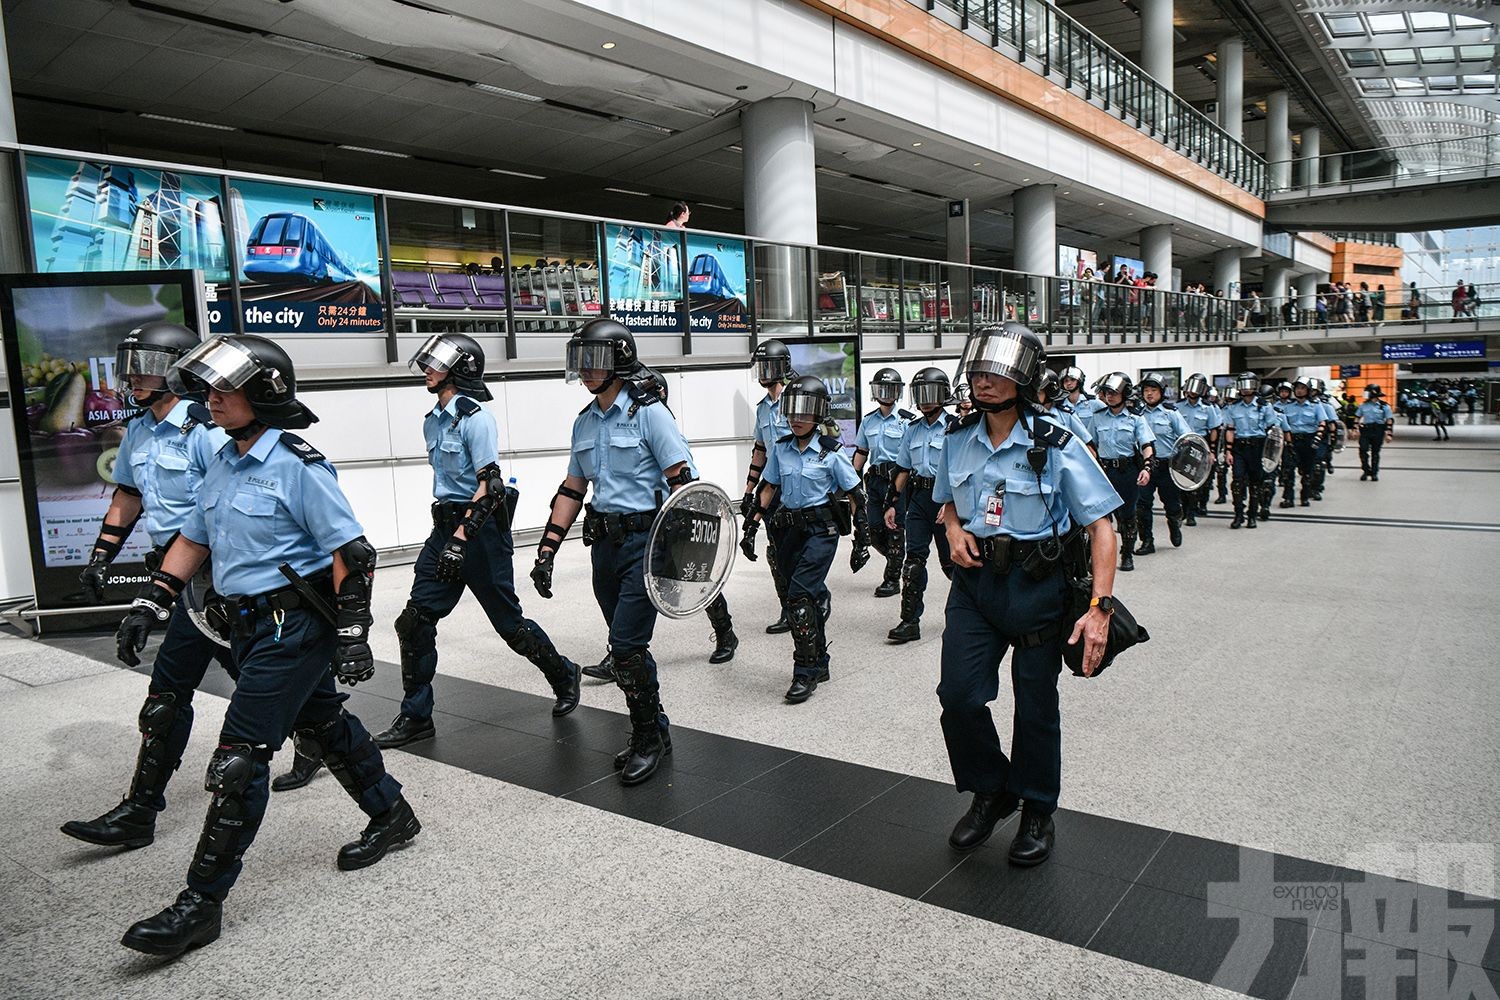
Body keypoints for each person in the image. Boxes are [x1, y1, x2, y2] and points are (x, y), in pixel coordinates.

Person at [113, 335, 417, 957]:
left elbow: (350, 553)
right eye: (212, 388)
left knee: (238, 759)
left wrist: (354, 633)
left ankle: (201, 902)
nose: (212, 398)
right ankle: (391, 813)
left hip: (294, 628)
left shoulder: (299, 465)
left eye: (227, 389)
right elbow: (193, 538)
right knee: (324, 721)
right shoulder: (224, 459)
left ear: (265, 394)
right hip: (244, 625)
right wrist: (153, 599)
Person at [935, 323, 1123, 866]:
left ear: (1024, 376)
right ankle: (993, 791)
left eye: (997, 370)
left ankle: (1038, 808)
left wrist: (1099, 609)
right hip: (975, 588)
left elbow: (1102, 526)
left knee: (1035, 704)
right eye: (978, 369)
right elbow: (946, 500)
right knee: (959, 695)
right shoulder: (957, 438)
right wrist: (951, 527)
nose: (984, 380)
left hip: (1039, 586)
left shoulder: (1057, 442)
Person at [349, 335, 583, 758]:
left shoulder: (477, 419)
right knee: (414, 622)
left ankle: (565, 674)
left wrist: (461, 540)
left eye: (435, 364)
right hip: (444, 527)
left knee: (510, 625)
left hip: (480, 534)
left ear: (460, 370)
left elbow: (490, 487)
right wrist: (449, 538)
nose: (427, 370)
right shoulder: (432, 421)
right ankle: (417, 716)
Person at [61, 322, 237, 847]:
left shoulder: (206, 428)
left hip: (222, 577)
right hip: (177, 576)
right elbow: (128, 497)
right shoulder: (139, 428)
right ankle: (139, 812)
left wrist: (156, 594)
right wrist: (100, 558)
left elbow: (212, 518)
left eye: (149, 365)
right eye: (130, 365)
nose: (134, 376)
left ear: (179, 369)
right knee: (166, 695)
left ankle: (322, 742)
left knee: (271, 683)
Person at [530, 319, 694, 785]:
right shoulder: (584, 421)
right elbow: (572, 488)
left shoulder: (649, 414)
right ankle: (656, 730)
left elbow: (684, 481)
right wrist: (547, 551)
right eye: (578, 360)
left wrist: (680, 555)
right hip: (604, 545)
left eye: (594, 360)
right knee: (628, 647)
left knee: (624, 647)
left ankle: (646, 738)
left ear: (619, 361)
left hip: (646, 543)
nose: (584, 370)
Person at [742, 376, 869, 702]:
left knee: (798, 598)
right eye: (792, 412)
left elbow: (856, 494)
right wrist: (752, 527)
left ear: (819, 414)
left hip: (821, 533)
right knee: (807, 598)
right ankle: (821, 661)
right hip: (789, 532)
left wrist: (862, 539)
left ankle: (805, 671)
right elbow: (767, 489)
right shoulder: (782, 449)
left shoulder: (832, 453)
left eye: (805, 412)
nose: (797, 419)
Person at [882, 367, 957, 644]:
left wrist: (951, 502)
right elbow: (902, 469)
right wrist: (891, 503)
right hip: (920, 500)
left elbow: (962, 470)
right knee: (913, 563)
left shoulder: (955, 428)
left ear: (944, 395)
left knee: (953, 565)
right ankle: (909, 621)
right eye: (920, 393)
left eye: (931, 393)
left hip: (946, 501)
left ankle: (968, 617)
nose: (925, 400)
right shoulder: (912, 429)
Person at [739, 340, 795, 635]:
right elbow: (760, 450)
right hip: (772, 489)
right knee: (776, 552)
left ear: (782, 368)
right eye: (760, 367)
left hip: (799, 486)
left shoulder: (797, 399)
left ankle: (810, 601)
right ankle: (788, 608)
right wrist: (748, 491)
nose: (763, 373)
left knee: (799, 548)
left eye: (768, 367)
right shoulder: (763, 409)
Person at [1082, 373, 1154, 571]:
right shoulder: (1097, 418)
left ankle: (1127, 554)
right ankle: (1094, 556)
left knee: (1127, 516)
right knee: (1099, 516)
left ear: (1125, 394)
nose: (1110, 396)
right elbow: (1090, 443)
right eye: (1106, 393)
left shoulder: (1136, 419)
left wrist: (1147, 468)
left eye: (1114, 393)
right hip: (1104, 471)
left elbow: (1146, 444)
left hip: (1127, 471)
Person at [853, 368, 914, 599]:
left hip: (897, 481)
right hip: (875, 481)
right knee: (874, 529)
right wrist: (850, 483)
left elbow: (910, 458)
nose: (886, 394)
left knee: (895, 529)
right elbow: (861, 452)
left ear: (898, 392)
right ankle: (897, 559)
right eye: (882, 389)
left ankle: (892, 578)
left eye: (891, 389)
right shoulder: (868, 421)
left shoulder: (907, 421)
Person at [1134, 373, 1192, 554]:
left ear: (1161, 392)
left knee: (1172, 504)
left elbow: (1187, 438)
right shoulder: (1137, 414)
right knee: (1142, 505)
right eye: (1146, 390)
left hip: (1168, 466)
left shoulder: (1171, 413)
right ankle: (1147, 542)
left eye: (1153, 390)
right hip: (1145, 467)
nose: (1149, 394)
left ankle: (1174, 524)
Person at [1223, 373, 1277, 530]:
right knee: (1237, 482)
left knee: (1255, 483)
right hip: (1239, 447)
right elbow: (1230, 430)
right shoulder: (1233, 407)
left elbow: (1272, 431)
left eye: (1249, 384)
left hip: (1258, 447)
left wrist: (1271, 454)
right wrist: (1228, 452)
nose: (1246, 388)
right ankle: (1238, 514)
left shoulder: (1264, 406)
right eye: (1243, 385)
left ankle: (1252, 515)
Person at [1176, 373, 1222, 526]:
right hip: (1184, 445)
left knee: (1198, 480)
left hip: (1202, 446)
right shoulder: (1178, 406)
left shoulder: (1208, 408)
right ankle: (1183, 509)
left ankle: (1192, 512)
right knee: (1182, 478)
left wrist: (1212, 451)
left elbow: (1214, 429)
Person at [1277, 376, 1324, 508]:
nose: (1299, 391)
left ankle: (1305, 496)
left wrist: (1318, 436)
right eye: (1297, 388)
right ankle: (1288, 498)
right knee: (1288, 470)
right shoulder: (1288, 407)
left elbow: (1322, 422)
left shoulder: (1316, 406)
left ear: (1308, 390)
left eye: (1302, 388)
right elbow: (1282, 424)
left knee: (1307, 471)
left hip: (1309, 440)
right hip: (1292, 440)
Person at [1356, 385, 1394, 481]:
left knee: (1375, 452)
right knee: (1363, 450)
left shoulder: (1384, 406)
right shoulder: (1363, 406)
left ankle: (1374, 472)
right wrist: (1354, 429)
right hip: (1366, 430)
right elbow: (1357, 417)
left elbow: (1389, 420)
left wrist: (1389, 433)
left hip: (1378, 430)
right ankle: (1366, 470)